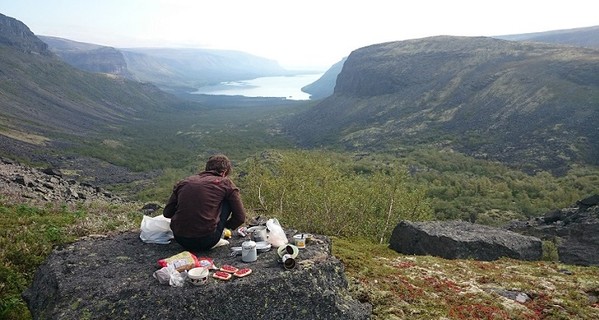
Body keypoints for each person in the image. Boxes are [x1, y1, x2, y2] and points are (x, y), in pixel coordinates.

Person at [163, 154, 246, 251]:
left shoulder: (184, 182)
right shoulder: (225, 183)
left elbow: (167, 213)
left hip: (180, 239)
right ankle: (217, 235)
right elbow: (240, 217)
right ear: (223, 173)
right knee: (227, 200)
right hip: (207, 239)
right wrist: (225, 226)